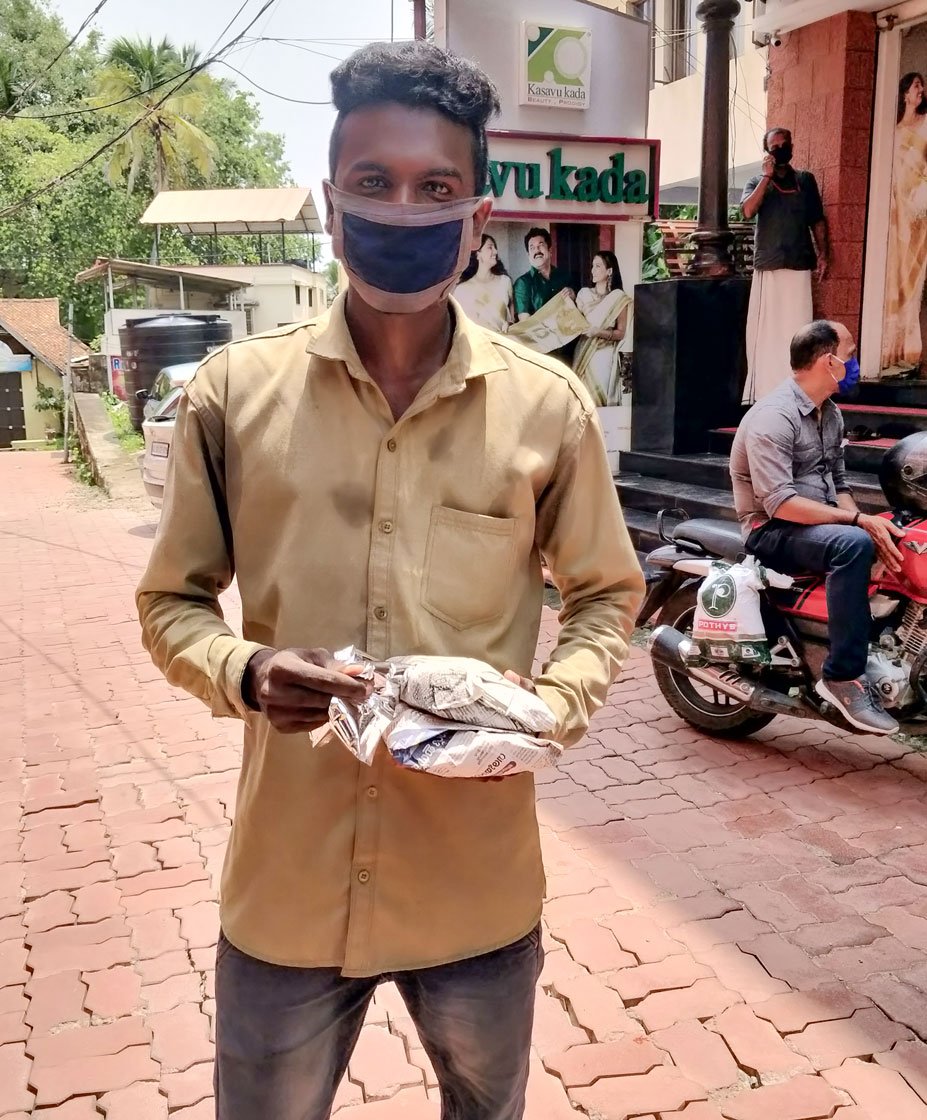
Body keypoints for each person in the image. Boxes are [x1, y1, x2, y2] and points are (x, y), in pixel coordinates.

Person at [136, 39, 644, 1120]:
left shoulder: (547, 410)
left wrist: (555, 705)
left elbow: (606, 592)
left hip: (477, 891)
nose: (400, 212)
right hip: (286, 892)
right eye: (373, 184)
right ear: (331, 203)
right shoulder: (234, 396)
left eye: (436, 189)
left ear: (477, 213)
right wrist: (243, 666)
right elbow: (170, 599)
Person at [730, 319, 905, 735]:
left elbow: (839, 485)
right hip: (769, 528)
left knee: (897, 531)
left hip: (814, 525)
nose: (855, 363)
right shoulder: (774, 417)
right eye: (850, 353)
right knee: (852, 544)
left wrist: (870, 524)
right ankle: (842, 677)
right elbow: (780, 503)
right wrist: (858, 523)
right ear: (829, 361)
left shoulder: (832, 415)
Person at [741, 128, 830, 404]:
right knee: (767, 333)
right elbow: (747, 211)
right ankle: (766, 392)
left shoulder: (805, 180)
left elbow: (817, 220)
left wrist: (824, 253)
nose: (780, 149)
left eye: (784, 144)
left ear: (791, 146)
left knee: (798, 328)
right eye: (774, 146)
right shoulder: (757, 181)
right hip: (769, 265)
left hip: (799, 264)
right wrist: (767, 176)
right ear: (767, 151)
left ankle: (797, 389)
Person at [882, 72, 927, 374]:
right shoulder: (893, 130)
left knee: (915, 278)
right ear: (903, 94)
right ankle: (892, 352)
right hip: (897, 212)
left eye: (922, 86)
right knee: (895, 279)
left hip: (919, 210)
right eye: (916, 86)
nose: (921, 90)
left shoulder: (926, 125)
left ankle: (912, 352)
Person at [573, 250, 633, 407]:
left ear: (609, 271)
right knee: (583, 403)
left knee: (600, 403)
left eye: (598, 266)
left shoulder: (618, 298)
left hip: (604, 357)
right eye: (592, 266)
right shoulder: (583, 294)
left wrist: (598, 332)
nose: (593, 270)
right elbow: (573, 323)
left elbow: (621, 333)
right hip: (584, 354)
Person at [454, 232, 513, 332]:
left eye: (495, 248)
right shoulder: (462, 289)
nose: (495, 251)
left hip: (501, 342)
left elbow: (512, 319)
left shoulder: (505, 282)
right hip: (476, 344)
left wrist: (509, 325)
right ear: (478, 254)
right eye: (490, 247)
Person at [513, 227, 574, 320]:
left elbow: (575, 311)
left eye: (540, 245)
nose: (537, 251)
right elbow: (525, 321)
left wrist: (572, 295)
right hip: (537, 333)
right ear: (528, 255)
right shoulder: (523, 283)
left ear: (550, 251)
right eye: (532, 248)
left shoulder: (564, 276)